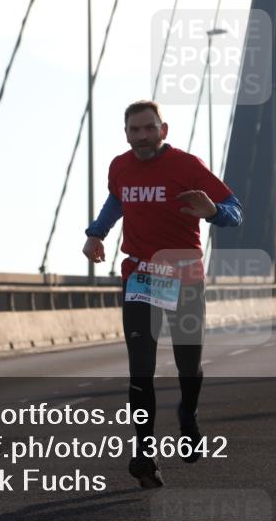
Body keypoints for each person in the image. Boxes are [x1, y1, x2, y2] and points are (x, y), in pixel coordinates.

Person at [82, 100, 243, 488]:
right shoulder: (119, 166)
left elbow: (234, 211)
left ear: (163, 130)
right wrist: (95, 233)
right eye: (134, 130)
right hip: (140, 275)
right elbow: (117, 200)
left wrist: (212, 212)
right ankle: (144, 453)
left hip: (185, 276)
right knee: (141, 368)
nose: (141, 136)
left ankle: (188, 416)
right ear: (126, 134)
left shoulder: (187, 167)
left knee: (189, 367)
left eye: (148, 128)